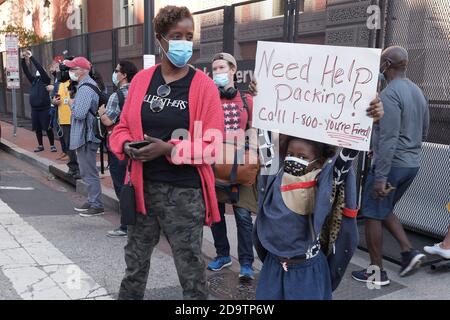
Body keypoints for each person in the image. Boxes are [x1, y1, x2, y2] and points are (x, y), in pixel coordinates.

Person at [110, 5, 224, 300]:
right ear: (160, 39)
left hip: (184, 194)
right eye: (177, 36)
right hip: (141, 189)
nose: (185, 42)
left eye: (189, 36)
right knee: (134, 265)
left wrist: (168, 149)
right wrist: (125, 146)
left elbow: (213, 144)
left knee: (191, 270)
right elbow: (122, 127)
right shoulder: (140, 82)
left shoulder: (204, 87)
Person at [252, 102, 383, 300]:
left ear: (320, 162)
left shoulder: (324, 182)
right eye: (290, 155)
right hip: (273, 267)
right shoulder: (273, 176)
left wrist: (367, 120)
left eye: (302, 156)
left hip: (307, 273)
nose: (294, 160)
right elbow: (264, 139)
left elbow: (348, 156)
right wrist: (262, 98)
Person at [352, 46, 429, 285]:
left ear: (386, 64)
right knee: (384, 208)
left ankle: (377, 274)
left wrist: (380, 177)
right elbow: (424, 131)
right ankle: (409, 252)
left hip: (392, 164)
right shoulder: (417, 91)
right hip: (411, 164)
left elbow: (388, 139)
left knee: (373, 214)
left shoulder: (389, 95)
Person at [207, 52, 257, 280]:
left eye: (221, 68)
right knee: (216, 214)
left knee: (243, 216)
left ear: (233, 69)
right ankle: (223, 254)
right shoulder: (209, 100)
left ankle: (246, 262)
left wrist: (253, 155)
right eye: (214, 69)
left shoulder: (248, 100)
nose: (217, 72)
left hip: (241, 165)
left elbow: (254, 129)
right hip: (216, 164)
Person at [98, 60, 138, 238]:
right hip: (137, 144)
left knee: (121, 185)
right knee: (136, 183)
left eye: (116, 71)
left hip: (119, 144)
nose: (114, 74)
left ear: (123, 75)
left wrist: (101, 114)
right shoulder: (140, 93)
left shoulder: (116, 96)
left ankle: (126, 225)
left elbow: (108, 121)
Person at [64, 56, 104, 216]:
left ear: (82, 71)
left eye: (73, 69)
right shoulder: (86, 86)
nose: (70, 72)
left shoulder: (86, 88)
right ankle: (92, 199)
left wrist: (71, 104)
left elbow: (80, 114)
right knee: (87, 170)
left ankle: (96, 204)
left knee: (88, 170)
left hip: (86, 136)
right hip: (86, 136)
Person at [21, 50, 57, 153]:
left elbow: (40, 69)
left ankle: (52, 145)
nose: (38, 74)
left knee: (48, 128)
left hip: (44, 109)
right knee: (37, 128)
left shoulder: (46, 79)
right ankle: (40, 145)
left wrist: (31, 57)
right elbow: (26, 71)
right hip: (35, 109)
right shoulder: (34, 80)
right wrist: (23, 59)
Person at [50, 57, 80, 178]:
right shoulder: (59, 83)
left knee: (76, 146)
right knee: (68, 146)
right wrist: (54, 101)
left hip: (75, 119)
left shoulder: (76, 81)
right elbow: (53, 98)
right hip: (63, 119)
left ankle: (79, 169)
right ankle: (72, 167)